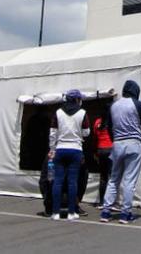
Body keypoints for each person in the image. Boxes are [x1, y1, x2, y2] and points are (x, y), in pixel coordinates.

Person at [100, 80, 141, 224]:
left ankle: (106, 211)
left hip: (117, 144)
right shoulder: (137, 104)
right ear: (135, 91)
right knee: (129, 180)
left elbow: (109, 126)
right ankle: (125, 213)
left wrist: (115, 140)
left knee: (114, 178)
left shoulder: (113, 106)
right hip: (134, 144)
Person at [48, 90, 90, 221]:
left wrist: (52, 149)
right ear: (77, 99)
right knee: (73, 182)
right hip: (75, 149)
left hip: (60, 149)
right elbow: (86, 132)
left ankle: (55, 212)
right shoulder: (83, 113)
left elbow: (53, 133)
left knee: (58, 181)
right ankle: (72, 212)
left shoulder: (58, 112)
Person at [92, 104, 113, 208]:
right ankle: (111, 202)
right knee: (113, 176)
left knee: (103, 177)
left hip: (100, 150)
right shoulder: (112, 122)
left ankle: (101, 201)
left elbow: (95, 138)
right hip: (110, 149)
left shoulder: (97, 122)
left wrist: (95, 152)